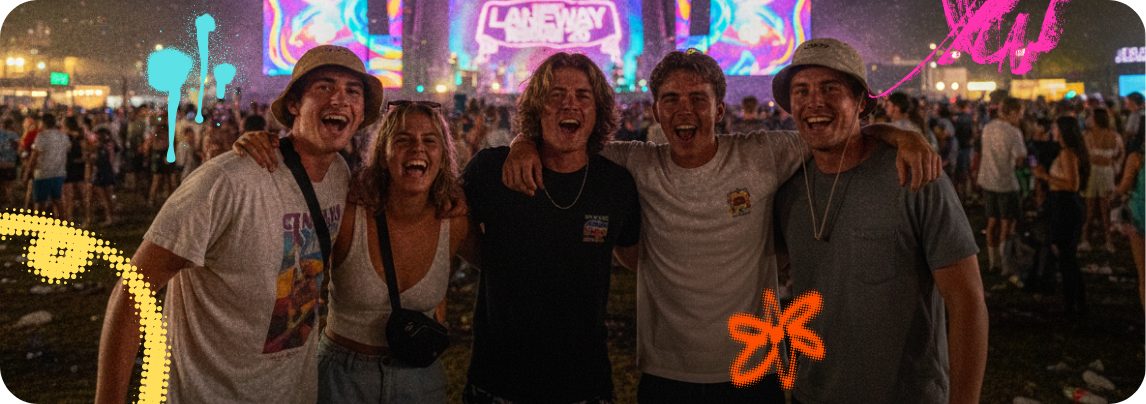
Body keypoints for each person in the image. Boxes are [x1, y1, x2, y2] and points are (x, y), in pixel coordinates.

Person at [503, 48, 939, 403]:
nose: (684, 110)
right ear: (656, 110)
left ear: (719, 110)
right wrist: (523, 142)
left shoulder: (762, 154)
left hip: (756, 369)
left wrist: (904, 135)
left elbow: (835, 131)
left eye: (698, 99)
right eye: (671, 99)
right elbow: (568, 144)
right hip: (666, 371)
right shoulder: (635, 163)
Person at [95, 44, 384, 404]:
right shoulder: (229, 181)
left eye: (353, 91)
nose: (339, 99)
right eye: (324, 86)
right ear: (294, 104)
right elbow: (133, 290)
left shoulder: (340, 175)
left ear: (361, 113)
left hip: (292, 392)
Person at [771, 37, 987, 404]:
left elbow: (966, 300)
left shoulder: (914, 176)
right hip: (812, 393)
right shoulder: (786, 185)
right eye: (801, 90)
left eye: (830, 88)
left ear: (860, 102)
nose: (814, 101)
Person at [234, 101, 471, 403]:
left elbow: (503, 263)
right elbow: (291, 303)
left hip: (419, 381)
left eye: (430, 140)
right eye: (403, 139)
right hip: (343, 380)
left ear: (444, 155)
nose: (417, 148)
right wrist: (260, 149)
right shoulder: (350, 212)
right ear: (383, 154)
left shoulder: (454, 219)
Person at [462, 52, 641, 403]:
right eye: (556, 94)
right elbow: (450, 223)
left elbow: (633, 254)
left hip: (584, 385)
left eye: (582, 95)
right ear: (537, 108)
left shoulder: (616, 184)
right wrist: (495, 261)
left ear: (598, 111)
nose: (569, 104)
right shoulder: (491, 170)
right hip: (497, 383)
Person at [1032, 116, 1091, 315]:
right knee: (1066, 255)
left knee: (1065, 255)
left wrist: (1045, 176)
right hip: (1063, 205)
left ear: (1064, 131)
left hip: (1066, 206)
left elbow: (1072, 184)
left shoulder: (1067, 153)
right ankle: (1076, 300)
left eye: (1055, 128)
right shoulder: (1066, 151)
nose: (1053, 131)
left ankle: (1072, 303)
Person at [977, 97, 1027, 279]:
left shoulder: (988, 128)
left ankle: (993, 263)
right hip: (1006, 183)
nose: (1020, 117)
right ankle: (1005, 264)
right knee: (1006, 224)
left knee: (992, 223)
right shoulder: (1013, 132)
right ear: (1013, 112)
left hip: (987, 180)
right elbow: (1020, 159)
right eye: (1020, 114)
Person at [1079, 108, 1123, 253]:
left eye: (1091, 117)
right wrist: (1114, 166)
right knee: (1104, 209)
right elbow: (1120, 154)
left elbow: (1082, 155)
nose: (1088, 119)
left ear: (1096, 119)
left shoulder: (1087, 136)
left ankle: (1087, 239)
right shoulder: (1114, 136)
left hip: (1093, 173)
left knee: (1092, 209)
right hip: (1106, 172)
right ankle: (1107, 241)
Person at [1116, 121, 1146, 317]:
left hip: (1141, 216)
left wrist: (1115, 193)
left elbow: (1126, 185)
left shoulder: (1137, 157)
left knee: (1144, 276)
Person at [24, 113, 69, 218]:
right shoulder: (64, 136)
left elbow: (34, 157)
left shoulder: (42, 136)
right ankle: (62, 223)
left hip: (43, 173)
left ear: (43, 123)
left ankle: (38, 226)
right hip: (59, 173)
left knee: (40, 203)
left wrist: (27, 172)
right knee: (57, 201)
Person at [86, 127, 118, 226]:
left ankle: (108, 218)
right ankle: (92, 217)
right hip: (104, 172)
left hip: (100, 174)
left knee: (103, 196)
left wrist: (91, 157)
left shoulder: (101, 147)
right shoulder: (109, 145)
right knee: (96, 196)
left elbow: (99, 160)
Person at [0, 118, 20, 207]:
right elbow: (18, 149)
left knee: (2, 186)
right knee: (10, 186)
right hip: (11, 163)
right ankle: (12, 203)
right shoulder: (15, 136)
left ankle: (4, 203)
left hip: (1, 163)